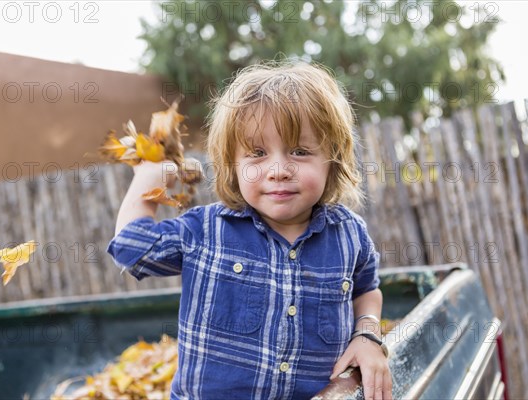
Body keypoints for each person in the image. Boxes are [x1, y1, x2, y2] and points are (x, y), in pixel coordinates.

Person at [108, 60, 392, 400]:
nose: (278, 170)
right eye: (257, 153)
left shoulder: (350, 235)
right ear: (233, 164)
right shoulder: (207, 230)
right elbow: (131, 249)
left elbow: (367, 290)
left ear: (333, 159)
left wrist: (368, 335)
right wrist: (146, 183)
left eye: (300, 151)